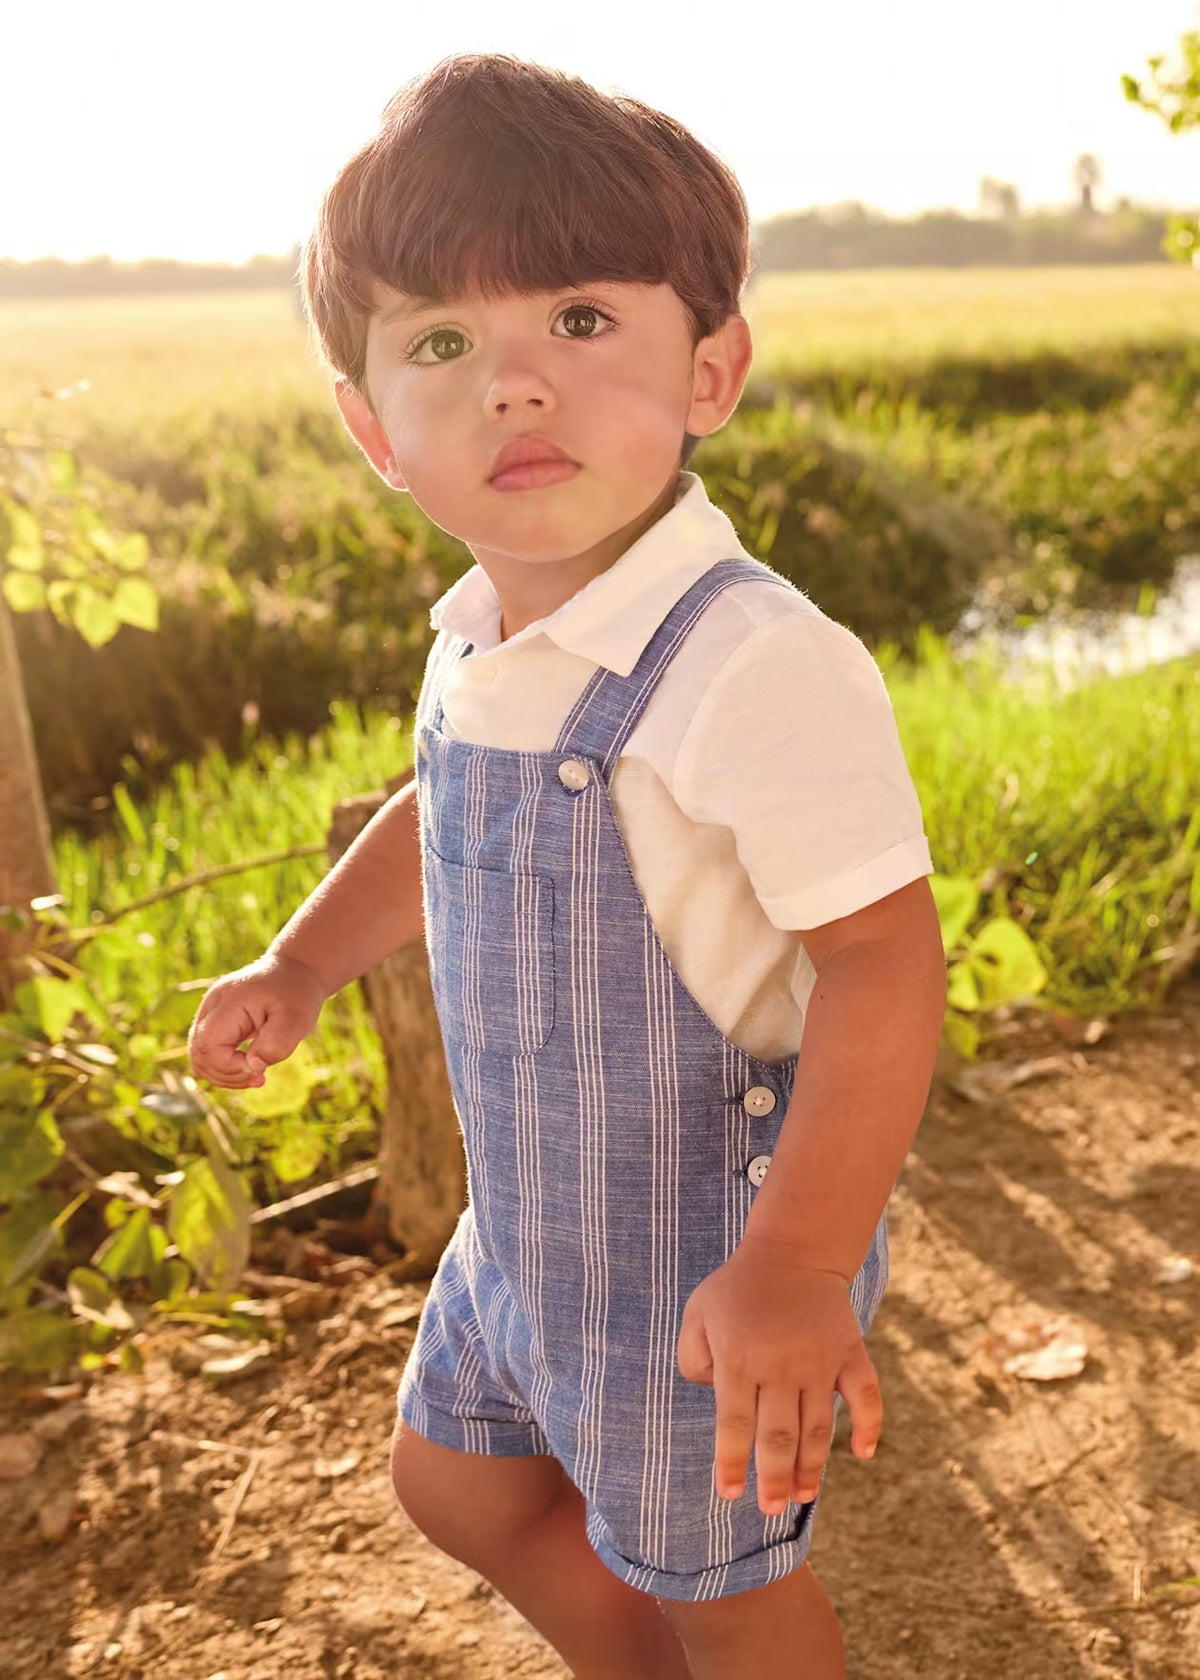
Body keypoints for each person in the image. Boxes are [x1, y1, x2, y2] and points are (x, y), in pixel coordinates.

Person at [188, 52, 947, 1680]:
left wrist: (798, 1267)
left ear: (714, 366)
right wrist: (304, 964)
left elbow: (886, 962)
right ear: (373, 431)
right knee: (454, 1480)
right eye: (443, 344)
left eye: (582, 323)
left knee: (721, 1589)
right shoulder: (483, 635)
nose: (512, 387)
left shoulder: (748, 660)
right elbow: (443, 809)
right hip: (529, 1227)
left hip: (705, 1257)